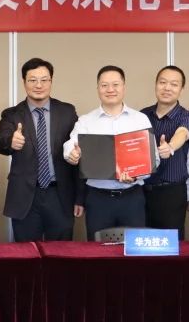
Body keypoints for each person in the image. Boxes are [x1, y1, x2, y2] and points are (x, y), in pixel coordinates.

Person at [0, 58, 80, 241]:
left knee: (61, 252)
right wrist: (11, 141)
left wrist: (79, 197)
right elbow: (0, 142)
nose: (39, 85)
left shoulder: (67, 112)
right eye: (32, 80)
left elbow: (78, 151)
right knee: (26, 252)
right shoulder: (11, 114)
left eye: (44, 80)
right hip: (25, 197)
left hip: (60, 195)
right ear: (24, 82)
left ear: (51, 81)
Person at [64, 66, 153, 237]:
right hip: (98, 199)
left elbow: (152, 159)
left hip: (132, 198)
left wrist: (136, 176)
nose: (110, 89)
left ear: (124, 87)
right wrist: (72, 154)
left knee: (134, 248)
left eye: (115, 85)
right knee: (98, 249)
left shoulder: (140, 119)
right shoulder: (86, 121)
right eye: (104, 85)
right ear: (98, 88)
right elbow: (70, 144)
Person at [140, 66, 189, 235]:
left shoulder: (187, 117)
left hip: (171, 194)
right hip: (141, 192)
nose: (167, 88)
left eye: (174, 84)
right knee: (142, 242)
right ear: (156, 84)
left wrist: (170, 147)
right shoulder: (142, 116)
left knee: (170, 244)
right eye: (162, 82)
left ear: (181, 89)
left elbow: (182, 133)